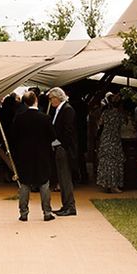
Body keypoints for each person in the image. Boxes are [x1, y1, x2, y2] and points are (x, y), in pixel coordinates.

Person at [11, 90, 56, 222]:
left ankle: (23, 213)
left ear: (24, 102)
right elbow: (53, 136)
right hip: (42, 154)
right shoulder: (45, 118)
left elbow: (13, 138)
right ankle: (47, 212)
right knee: (44, 183)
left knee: (24, 184)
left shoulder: (19, 118)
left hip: (24, 155)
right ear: (36, 100)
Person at [47, 87, 78, 216]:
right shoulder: (60, 110)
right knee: (62, 178)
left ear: (57, 97)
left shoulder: (67, 109)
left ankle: (70, 206)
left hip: (63, 148)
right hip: (59, 147)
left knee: (65, 178)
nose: (50, 101)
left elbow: (68, 131)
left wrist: (59, 143)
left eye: (51, 98)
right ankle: (65, 205)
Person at [96, 93, 124, 193]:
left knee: (106, 161)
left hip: (105, 138)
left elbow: (99, 124)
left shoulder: (105, 113)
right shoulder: (119, 114)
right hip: (114, 139)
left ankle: (106, 183)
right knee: (114, 162)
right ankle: (114, 185)